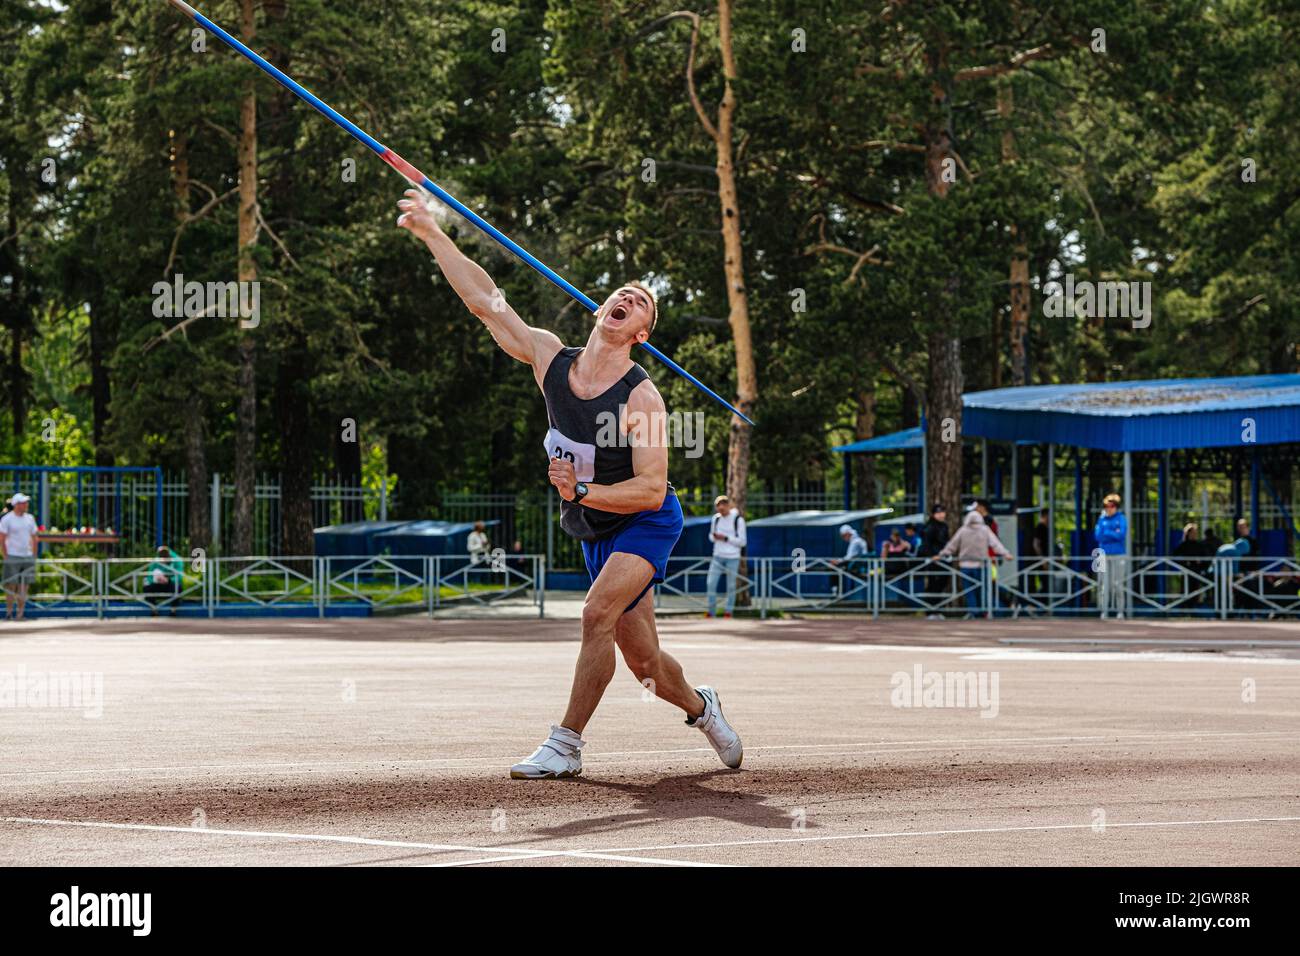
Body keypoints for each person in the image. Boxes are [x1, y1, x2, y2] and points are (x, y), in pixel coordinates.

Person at [397, 189, 741, 779]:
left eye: (640, 305)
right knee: (645, 663)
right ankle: (702, 708)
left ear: (640, 334)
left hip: (644, 522)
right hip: (594, 529)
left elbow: (652, 491)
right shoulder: (550, 358)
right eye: (621, 294)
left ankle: (566, 745)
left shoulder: (642, 397)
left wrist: (581, 492)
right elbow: (486, 301)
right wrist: (432, 232)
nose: (627, 299)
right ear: (599, 309)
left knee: (593, 614)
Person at [938, 509, 1011, 618]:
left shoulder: (963, 530)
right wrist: (1006, 554)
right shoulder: (984, 530)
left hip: (965, 566)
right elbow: (995, 544)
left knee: (969, 591)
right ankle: (988, 611)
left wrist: (941, 554)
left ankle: (974, 612)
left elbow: (952, 545)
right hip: (981, 565)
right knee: (984, 590)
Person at [705, 495, 745, 619]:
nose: (721, 510)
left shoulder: (738, 520)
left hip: (733, 557)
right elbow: (711, 536)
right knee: (711, 583)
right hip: (717, 556)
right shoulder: (715, 519)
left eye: (723, 507)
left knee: (731, 585)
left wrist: (726, 538)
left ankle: (729, 611)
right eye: (718, 508)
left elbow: (742, 542)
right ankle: (711, 611)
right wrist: (715, 537)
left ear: (728, 506)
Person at [0, 493, 39, 621]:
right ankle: (9, 612)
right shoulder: (7, 519)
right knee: (11, 585)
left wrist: (33, 555)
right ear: (16, 504)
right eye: (23, 503)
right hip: (12, 555)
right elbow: (2, 538)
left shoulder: (30, 518)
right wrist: (6, 556)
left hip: (27, 556)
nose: (26, 505)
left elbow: (34, 537)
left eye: (26, 502)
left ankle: (20, 614)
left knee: (24, 586)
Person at [1094, 492, 1128, 619]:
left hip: (1118, 555)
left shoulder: (1121, 518)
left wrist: (1107, 533)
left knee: (1118, 584)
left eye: (1111, 506)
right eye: (1106, 506)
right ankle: (1104, 611)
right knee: (1104, 585)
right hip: (1103, 555)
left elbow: (1121, 535)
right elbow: (1098, 536)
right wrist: (1112, 532)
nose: (1108, 508)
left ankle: (1120, 611)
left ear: (1116, 507)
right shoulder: (1101, 519)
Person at [916, 504, 950, 618]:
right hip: (933, 560)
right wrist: (932, 556)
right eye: (938, 513)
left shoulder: (944, 526)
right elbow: (926, 544)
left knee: (941, 585)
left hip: (944, 559)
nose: (941, 515)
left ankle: (937, 609)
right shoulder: (930, 527)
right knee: (933, 585)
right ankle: (930, 611)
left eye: (943, 512)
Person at [143, 545, 185, 615]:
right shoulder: (156, 561)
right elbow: (149, 575)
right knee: (147, 587)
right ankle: (154, 609)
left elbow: (179, 576)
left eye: (165, 555)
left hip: (171, 584)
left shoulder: (177, 560)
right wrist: (155, 580)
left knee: (177, 587)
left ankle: (173, 610)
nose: (163, 557)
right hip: (158, 583)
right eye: (161, 555)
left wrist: (168, 580)